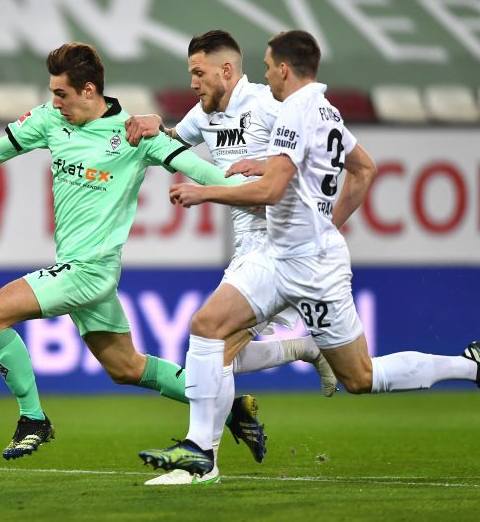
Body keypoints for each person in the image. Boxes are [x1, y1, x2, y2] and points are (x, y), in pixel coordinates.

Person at [0, 42, 320, 469]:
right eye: (52, 92)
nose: (54, 102)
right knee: (128, 368)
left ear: (89, 90)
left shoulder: (135, 137)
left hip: (90, 271)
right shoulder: (47, 121)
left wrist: (268, 192)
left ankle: (33, 419)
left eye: (62, 94)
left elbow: (206, 173)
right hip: (80, 272)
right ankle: (231, 409)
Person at [139, 30, 480, 477]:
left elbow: (272, 190)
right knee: (208, 330)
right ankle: (200, 453)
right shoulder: (323, 109)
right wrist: (323, 220)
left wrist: (208, 194)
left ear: (283, 69)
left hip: (312, 267)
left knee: (359, 378)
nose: (264, 73)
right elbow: (362, 168)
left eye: (267, 65)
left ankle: (469, 366)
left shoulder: (285, 111)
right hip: (277, 256)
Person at [124, 30, 337, 486]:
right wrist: (150, 123)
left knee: (209, 346)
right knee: (216, 357)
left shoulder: (267, 105)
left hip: (278, 246)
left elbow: (316, 147)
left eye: (199, 73)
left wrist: (267, 173)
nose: (193, 83)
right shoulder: (204, 114)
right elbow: (167, 141)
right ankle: (303, 348)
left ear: (227, 70)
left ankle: (202, 460)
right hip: (246, 247)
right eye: (190, 74)